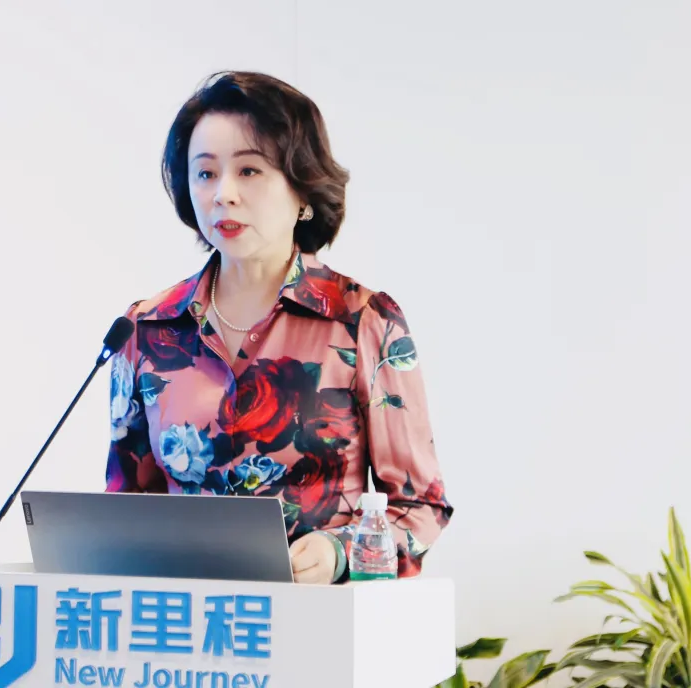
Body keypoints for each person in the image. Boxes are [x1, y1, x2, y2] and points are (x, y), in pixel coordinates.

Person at [104, 70, 453, 585]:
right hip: (187, 623)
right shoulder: (144, 329)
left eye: (249, 171)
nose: (223, 194)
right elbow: (125, 508)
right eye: (205, 173)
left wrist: (340, 553)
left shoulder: (363, 321)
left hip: (320, 618)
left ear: (302, 188)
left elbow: (420, 507)